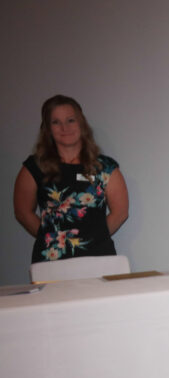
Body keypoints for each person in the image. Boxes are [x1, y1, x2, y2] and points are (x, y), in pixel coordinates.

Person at [13, 95, 129, 263]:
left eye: (70, 120)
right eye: (56, 122)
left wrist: (93, 239)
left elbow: (120, 213)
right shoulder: (35, 167)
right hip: (51, 261)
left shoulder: (105, 167)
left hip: (98, 258)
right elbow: (22, 213)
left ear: (81, 123)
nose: (64, 127)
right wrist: (50, 237)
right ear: (48, 129)